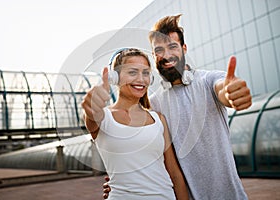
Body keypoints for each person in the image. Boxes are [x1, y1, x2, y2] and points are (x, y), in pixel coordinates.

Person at [102, 14, 252, 199]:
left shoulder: (208, 81)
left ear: (184, 48)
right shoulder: (153, 105)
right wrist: (122, 182)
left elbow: (223, 89)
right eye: (159, 50)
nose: (166, 55)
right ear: (153, 55)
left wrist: (231, 93)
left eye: (172, 47)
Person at [81, 48, 189, 200]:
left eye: (145, 73)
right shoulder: (103, 118)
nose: (141, 79)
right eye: (132, 72)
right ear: (115, 77)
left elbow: (174, 173)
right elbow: (92, 114)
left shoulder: (158, 119)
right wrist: (92, 104)